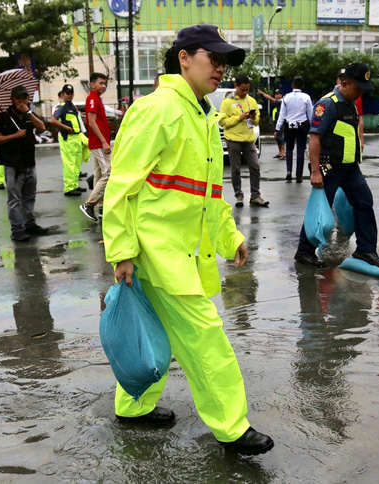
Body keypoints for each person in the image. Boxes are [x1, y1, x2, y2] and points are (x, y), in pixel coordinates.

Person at [102, 24, 274, 456]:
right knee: (205, 337)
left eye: (224, 62)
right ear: (184, 58)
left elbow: (209, 193)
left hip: (180, 252)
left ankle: (134, 406)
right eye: (212, 58)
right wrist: (122, 251)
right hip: (157, 250)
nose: (220, 68)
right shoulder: (157, 109)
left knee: (158, 331)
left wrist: (230, 235)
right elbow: (121, 185)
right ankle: (232, 428)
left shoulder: (202, 114)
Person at [294, 63, 379, 269]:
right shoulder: (327, 104)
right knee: (320, 209)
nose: (361, 92)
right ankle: (304, 251)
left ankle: (366, 250)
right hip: (329, 167)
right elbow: (314, 139)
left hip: (350, 168)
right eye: (358, 88)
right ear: (345, 84)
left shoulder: (351, 102)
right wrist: (315, 171)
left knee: (364, 202)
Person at [0, 85, 48, 241]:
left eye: (25, 98)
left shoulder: (29, 115)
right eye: (19, 98)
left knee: (29, 196)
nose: (22, 101)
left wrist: (28, 112)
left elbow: (42, 128)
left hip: (30, 163)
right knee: (14, 198)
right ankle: (17, 229)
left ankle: (29, 224)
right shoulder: (4, 117)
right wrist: (14, 135)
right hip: (13, 165)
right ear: (12, 99)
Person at [219, 74, 269, 207]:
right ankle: (239, 196)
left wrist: (252, 117)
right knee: (235, 169)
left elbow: (257, 120)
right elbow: (223, 122)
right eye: (242, 90)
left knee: (255, 166)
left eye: (247, 90)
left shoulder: (251, 101)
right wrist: (239, 117)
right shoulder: (227, 102)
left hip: (248, 140)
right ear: (236, 86)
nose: (245, 92)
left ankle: (255, 196)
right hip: (233, 140)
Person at [80, 72, 112, 222]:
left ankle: (101, 208)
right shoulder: (92, 99)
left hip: (99, 143)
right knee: (108, 174)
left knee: (99, 176)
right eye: (101, 83)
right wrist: (104, 142)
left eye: (105, 83)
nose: (103, 86)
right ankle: (89, 205)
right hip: (99, 143)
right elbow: (91, 122)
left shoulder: (96, 99)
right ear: (92, 85)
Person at [274, 77, 313, 183]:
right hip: (302, 126)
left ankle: (289, 172)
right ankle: (299, 175)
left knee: (289, 149)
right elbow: (311, 115)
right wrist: (314, 128)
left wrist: (277, 129)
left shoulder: (286, 97)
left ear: (292, 85)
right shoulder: (306, 97)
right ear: (302, 86)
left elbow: (282, 115)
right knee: (300, 150)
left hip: (289, 126)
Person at [50, 84, 86, 197]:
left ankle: (74, 185)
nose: (69, 95)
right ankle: (69, 188)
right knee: (69, 163)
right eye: (67, 93)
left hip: (76, 137)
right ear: (63, 94)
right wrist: (65, 128)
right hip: (68, 138)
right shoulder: (62, 107)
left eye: (71, 93)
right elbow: (53, 120)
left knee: (76, 162)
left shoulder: (72, 106)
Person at [257, 87, 285, 160]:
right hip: (276, 121)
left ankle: (284, 152)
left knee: (279, 136)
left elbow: (270, 99)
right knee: (277, 137)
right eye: (275, 94)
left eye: (278, 94)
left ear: (281, 95)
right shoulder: (278, 103)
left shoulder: (281, 102)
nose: (276, 96)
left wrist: (262, 93)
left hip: (281, 122)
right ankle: (280, 152)